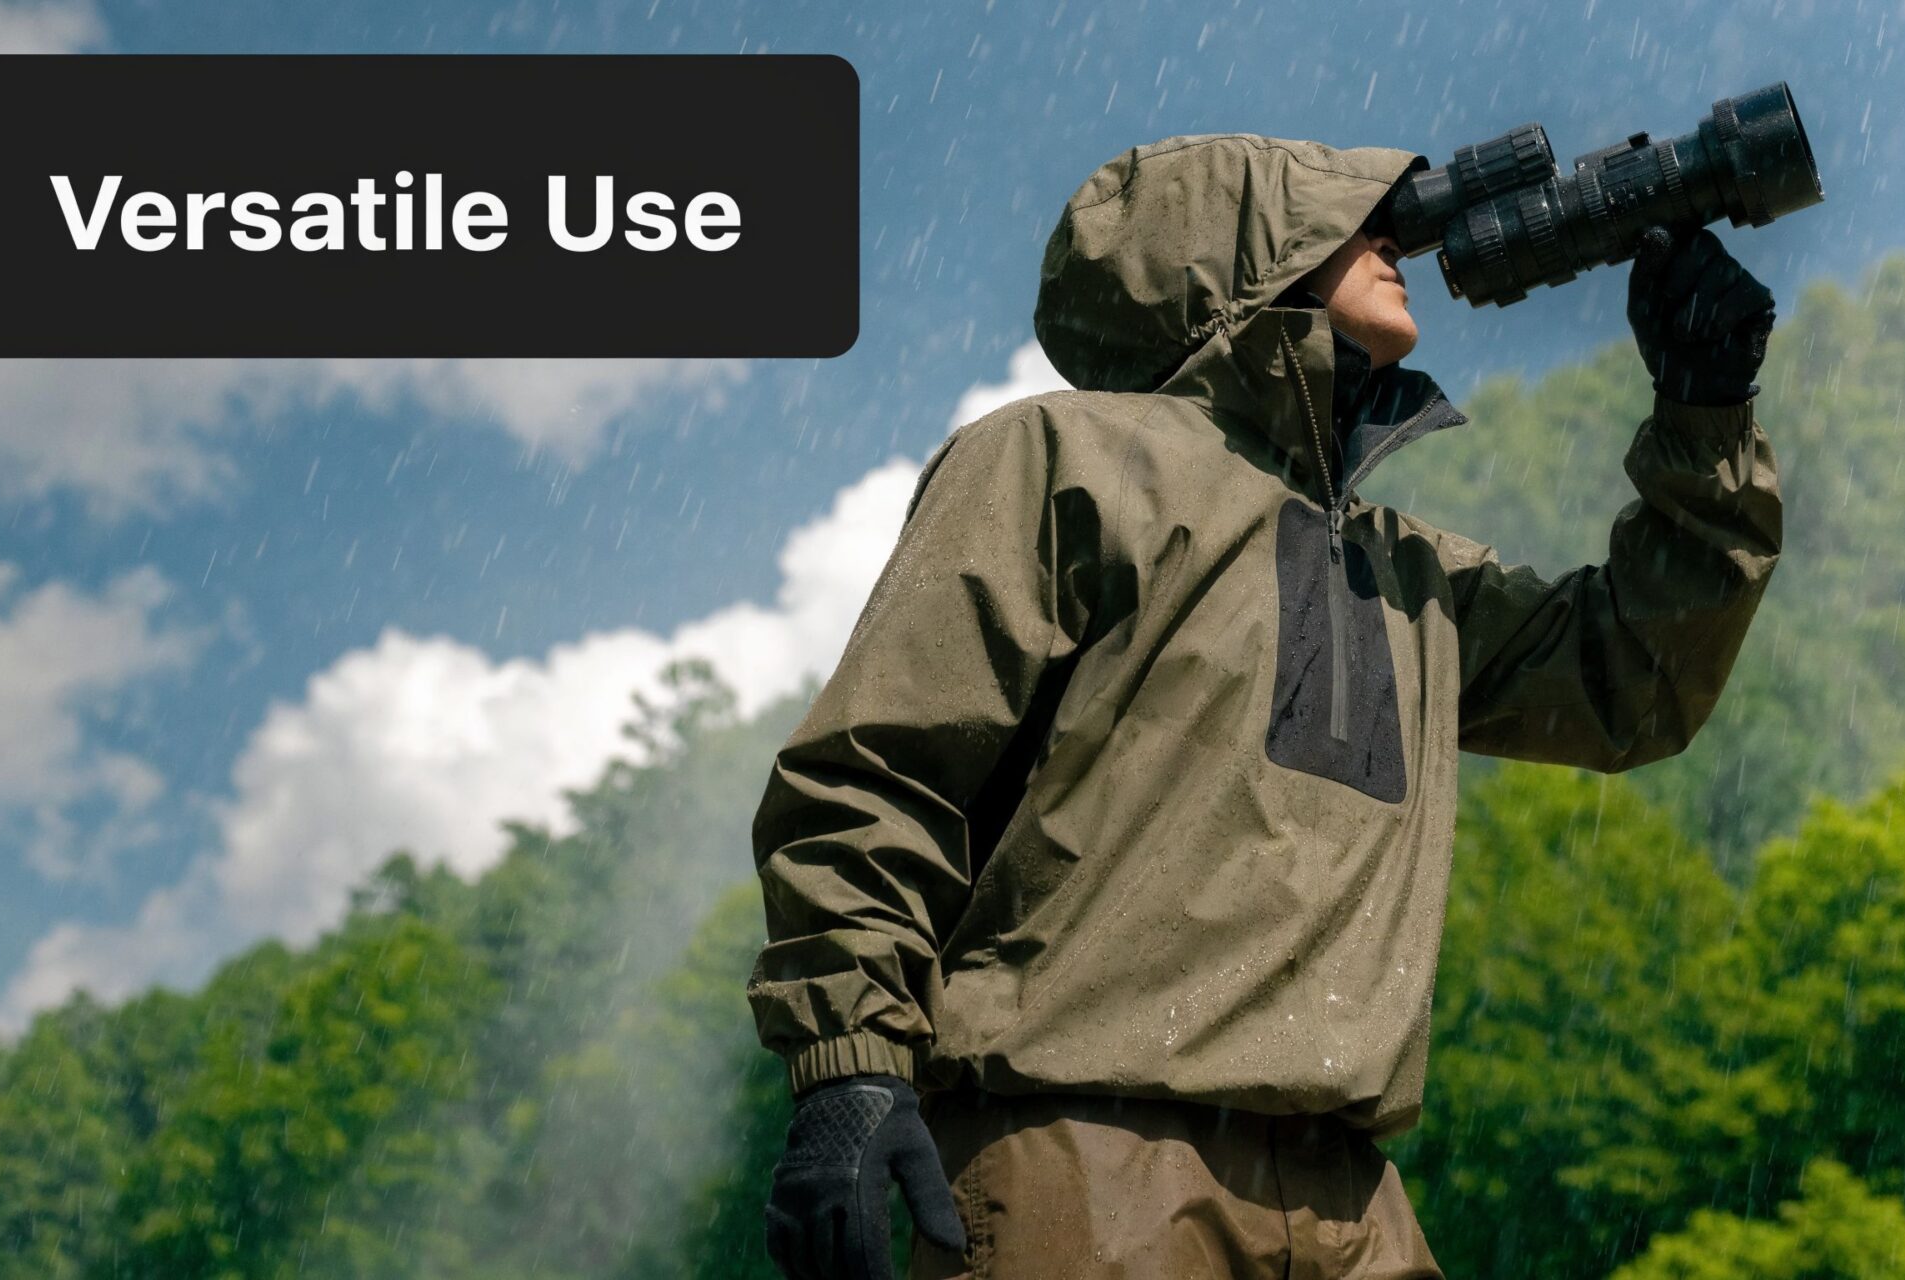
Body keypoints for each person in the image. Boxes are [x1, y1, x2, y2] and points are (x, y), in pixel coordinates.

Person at [751, 133, 1783, 1280]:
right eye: (1353, 218)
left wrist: (1707, 417)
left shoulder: (1408, 572)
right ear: (1232, 254)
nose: (1395, 239)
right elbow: (878, 770)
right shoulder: (1064, 457)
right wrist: (849, 1062)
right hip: (1090, 1163)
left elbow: (1628, 682)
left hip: (1354, 1195)